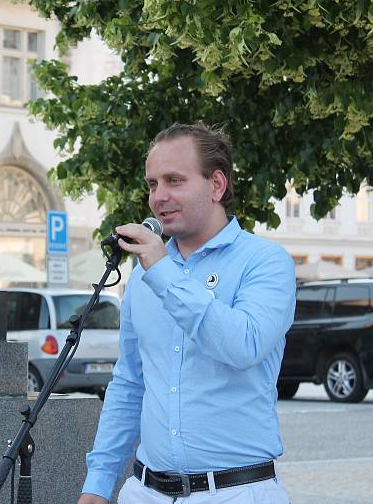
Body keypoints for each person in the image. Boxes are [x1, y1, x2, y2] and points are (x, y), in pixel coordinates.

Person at [78, 123, 296, 503]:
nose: (159, 197)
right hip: (145, 491)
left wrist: (163, 271)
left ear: (216, 185)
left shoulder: (265, 262)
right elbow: (130, 382)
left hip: (234, 491)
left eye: (174, 181)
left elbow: (243, 345)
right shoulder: (144, 275)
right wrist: (98, 483)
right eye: (152, 184)